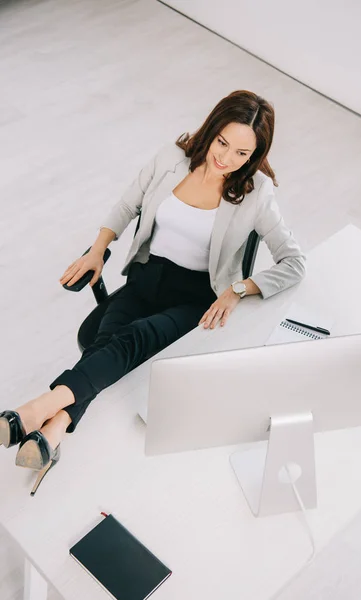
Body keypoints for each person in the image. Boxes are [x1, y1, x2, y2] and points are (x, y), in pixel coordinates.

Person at [0, 90, 306, 495]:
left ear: (254, 155)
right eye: (222, 143)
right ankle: (54, 429)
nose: (227, 159)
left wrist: (238, 289)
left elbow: (294, 263)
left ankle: (36, 409)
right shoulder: (171, 160)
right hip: (146, 278)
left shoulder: (257, 193)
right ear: (212, 130)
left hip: (196, 298)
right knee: (108, 341)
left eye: (241, 153)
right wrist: (96, 251)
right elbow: (127, 206)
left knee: (128, 340)